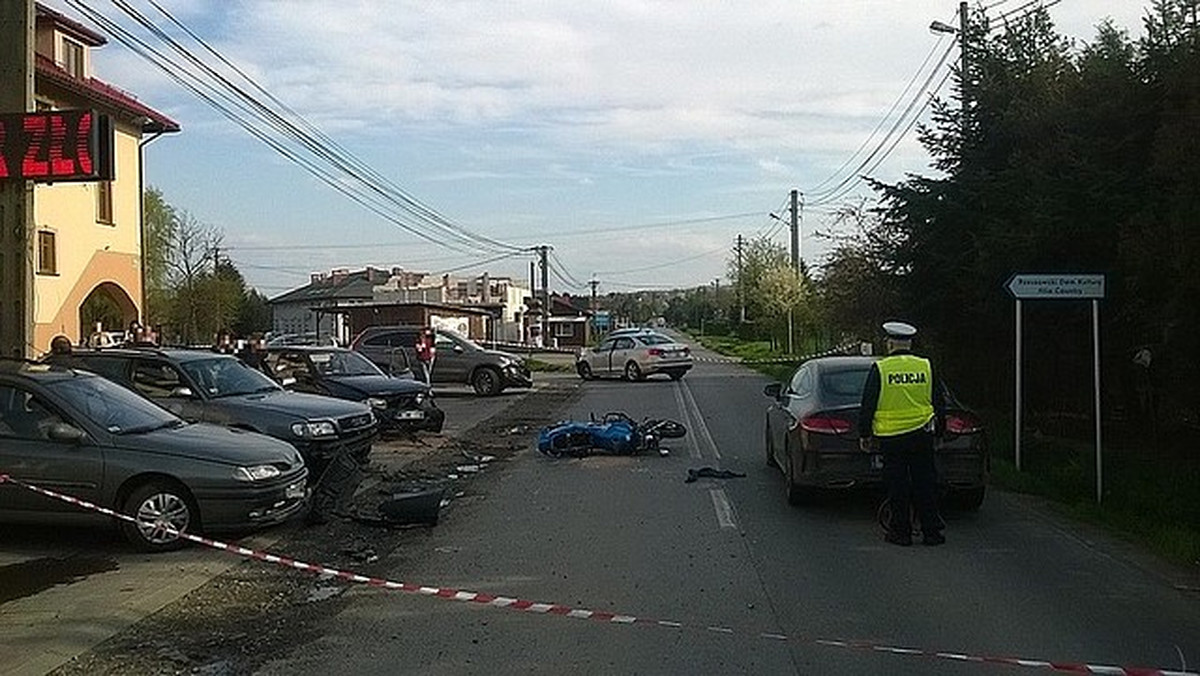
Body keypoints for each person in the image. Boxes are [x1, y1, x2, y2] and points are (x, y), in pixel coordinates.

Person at [859, 321, 947, 547]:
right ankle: (932, 532)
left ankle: (901, 532)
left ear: (889, 343)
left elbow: (868, 404)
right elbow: (939, 401)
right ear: (909, 343)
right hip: (922, 433)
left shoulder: (881, 368)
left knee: (897, 485)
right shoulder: (926, 366)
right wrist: (940, 433)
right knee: (925, 483)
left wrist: (865, 434)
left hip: (892, 437)